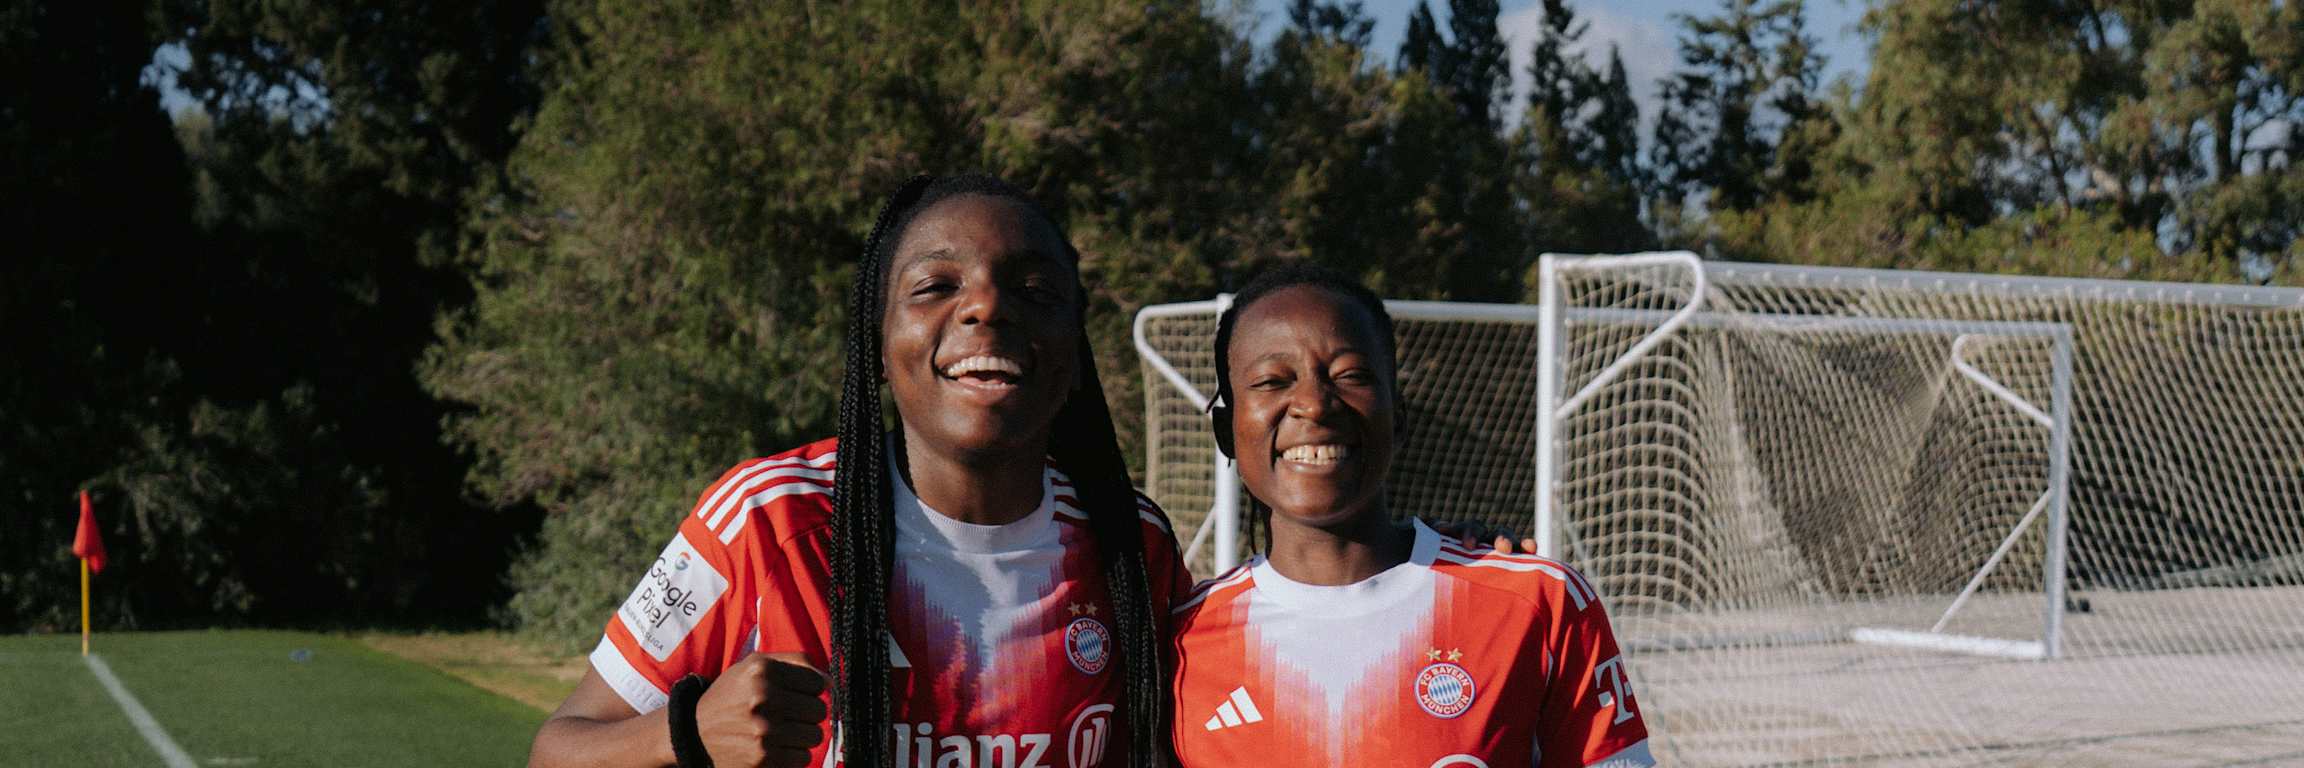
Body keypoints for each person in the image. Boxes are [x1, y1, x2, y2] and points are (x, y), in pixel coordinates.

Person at [528, 174, 1189, 768]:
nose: (987, 308)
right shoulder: (766, 517)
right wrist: (684, 733)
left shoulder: (1131, 545)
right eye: (936, 286)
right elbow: (556, 751)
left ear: (1075, 348)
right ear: (875, 341)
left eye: (1036, 290)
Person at [1169, 264, 1653, 768]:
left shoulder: (1537, 602)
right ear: (1225, 431)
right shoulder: (1179, 643)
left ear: (1398, 419)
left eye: (1349, 375)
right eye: (1272, 380)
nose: (1314, 405)